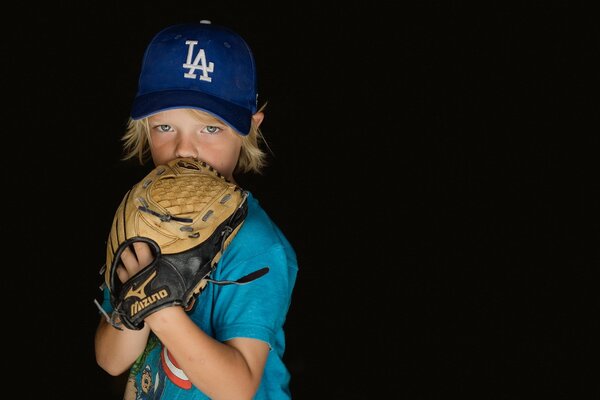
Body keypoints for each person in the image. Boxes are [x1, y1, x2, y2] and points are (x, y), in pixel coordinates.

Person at [94, 20, 298, 400]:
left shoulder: (256, 244)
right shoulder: (140, 220)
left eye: (211, 129)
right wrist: (131, 305)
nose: (184, 149)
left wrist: (158, 305)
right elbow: (111, 360)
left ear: (250, 128)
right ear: (143, 127)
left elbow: (237, 388)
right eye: (166, 126)